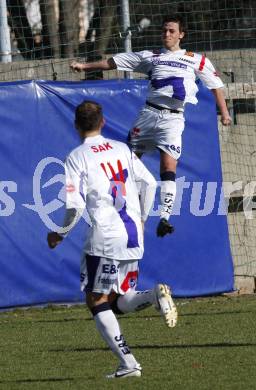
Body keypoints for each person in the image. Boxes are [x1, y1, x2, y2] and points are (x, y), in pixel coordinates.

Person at [47, 100, 178, 379]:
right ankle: (153, 295)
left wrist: (59, 233)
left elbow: (75, 205)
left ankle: (129, 364)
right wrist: (142, 218)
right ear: (103, 122)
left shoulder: (77, 157)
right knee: (118, 299)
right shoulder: (122, 149)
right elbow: (151, 183)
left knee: (96, 299)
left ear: (76, 126)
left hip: (105, 236)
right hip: (133, 234)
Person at [70, 14, 232, 238]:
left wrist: (224, 113)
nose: (167, 34)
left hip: (173, 120)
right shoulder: (151, 56)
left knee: (168, 167)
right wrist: (84, 66)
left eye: (172, 31)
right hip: (149, 114)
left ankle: (164, 218)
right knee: (126, 162)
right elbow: (113, 62)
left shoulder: (197, 60)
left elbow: (216, 86)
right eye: (164, 30)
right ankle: (116, 207)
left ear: (181, 35)